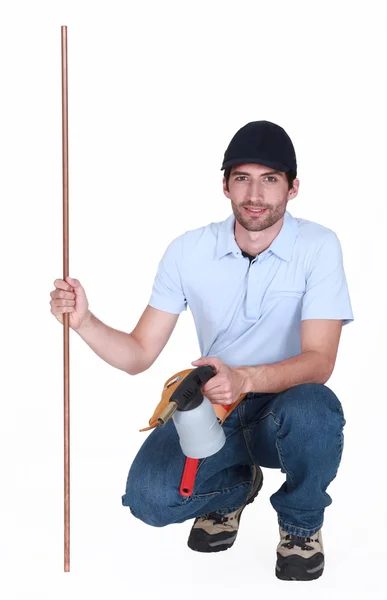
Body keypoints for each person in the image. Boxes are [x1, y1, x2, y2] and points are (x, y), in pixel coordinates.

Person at [49, 120, 353, 581]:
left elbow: (320, 361)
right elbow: (137, 354)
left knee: (317, 409)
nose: (255, 193)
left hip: (287, 408)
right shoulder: (188, 251)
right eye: (242, 178)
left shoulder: (319, 246)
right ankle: (234, 489)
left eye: (270, 179)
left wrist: (246, 378)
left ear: (292, 189)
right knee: (150, 498)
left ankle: (301, 524)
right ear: (225, 184)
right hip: (214, 408)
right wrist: (84, 322)